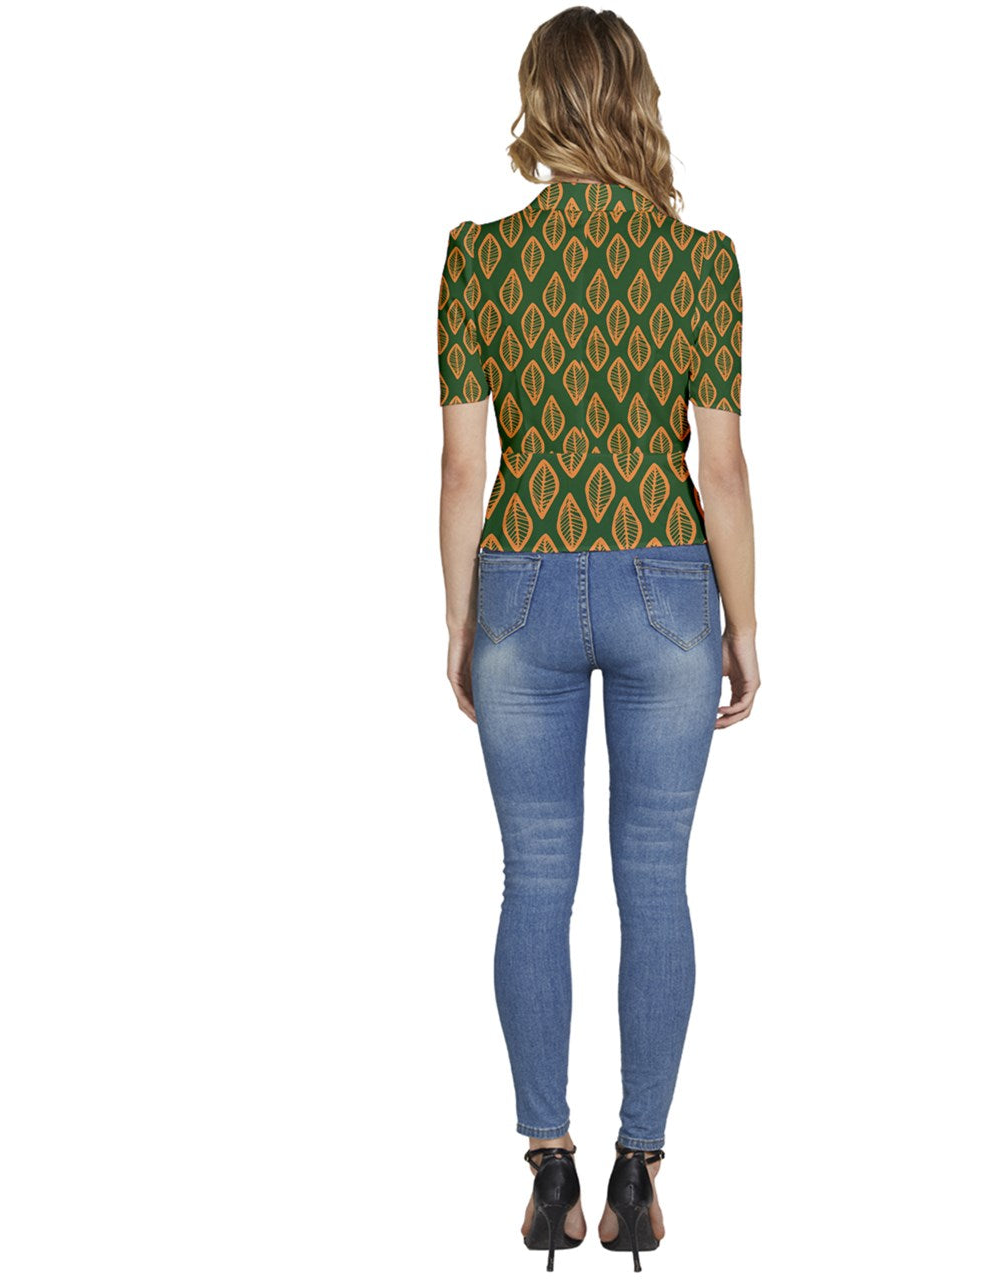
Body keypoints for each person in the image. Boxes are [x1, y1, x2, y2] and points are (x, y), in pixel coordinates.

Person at [435, 7, 759, 1269]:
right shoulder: (701, 264)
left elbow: (461, 466)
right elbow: (718, 470)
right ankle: (638, 1170)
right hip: (665, 580)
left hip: (519, 576)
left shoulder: (478, 260)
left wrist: (458, 616)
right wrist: (743, 621)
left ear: (538, 102)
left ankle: (548, 1167)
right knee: (655, 879)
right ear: (634, 98)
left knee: (532, 878)